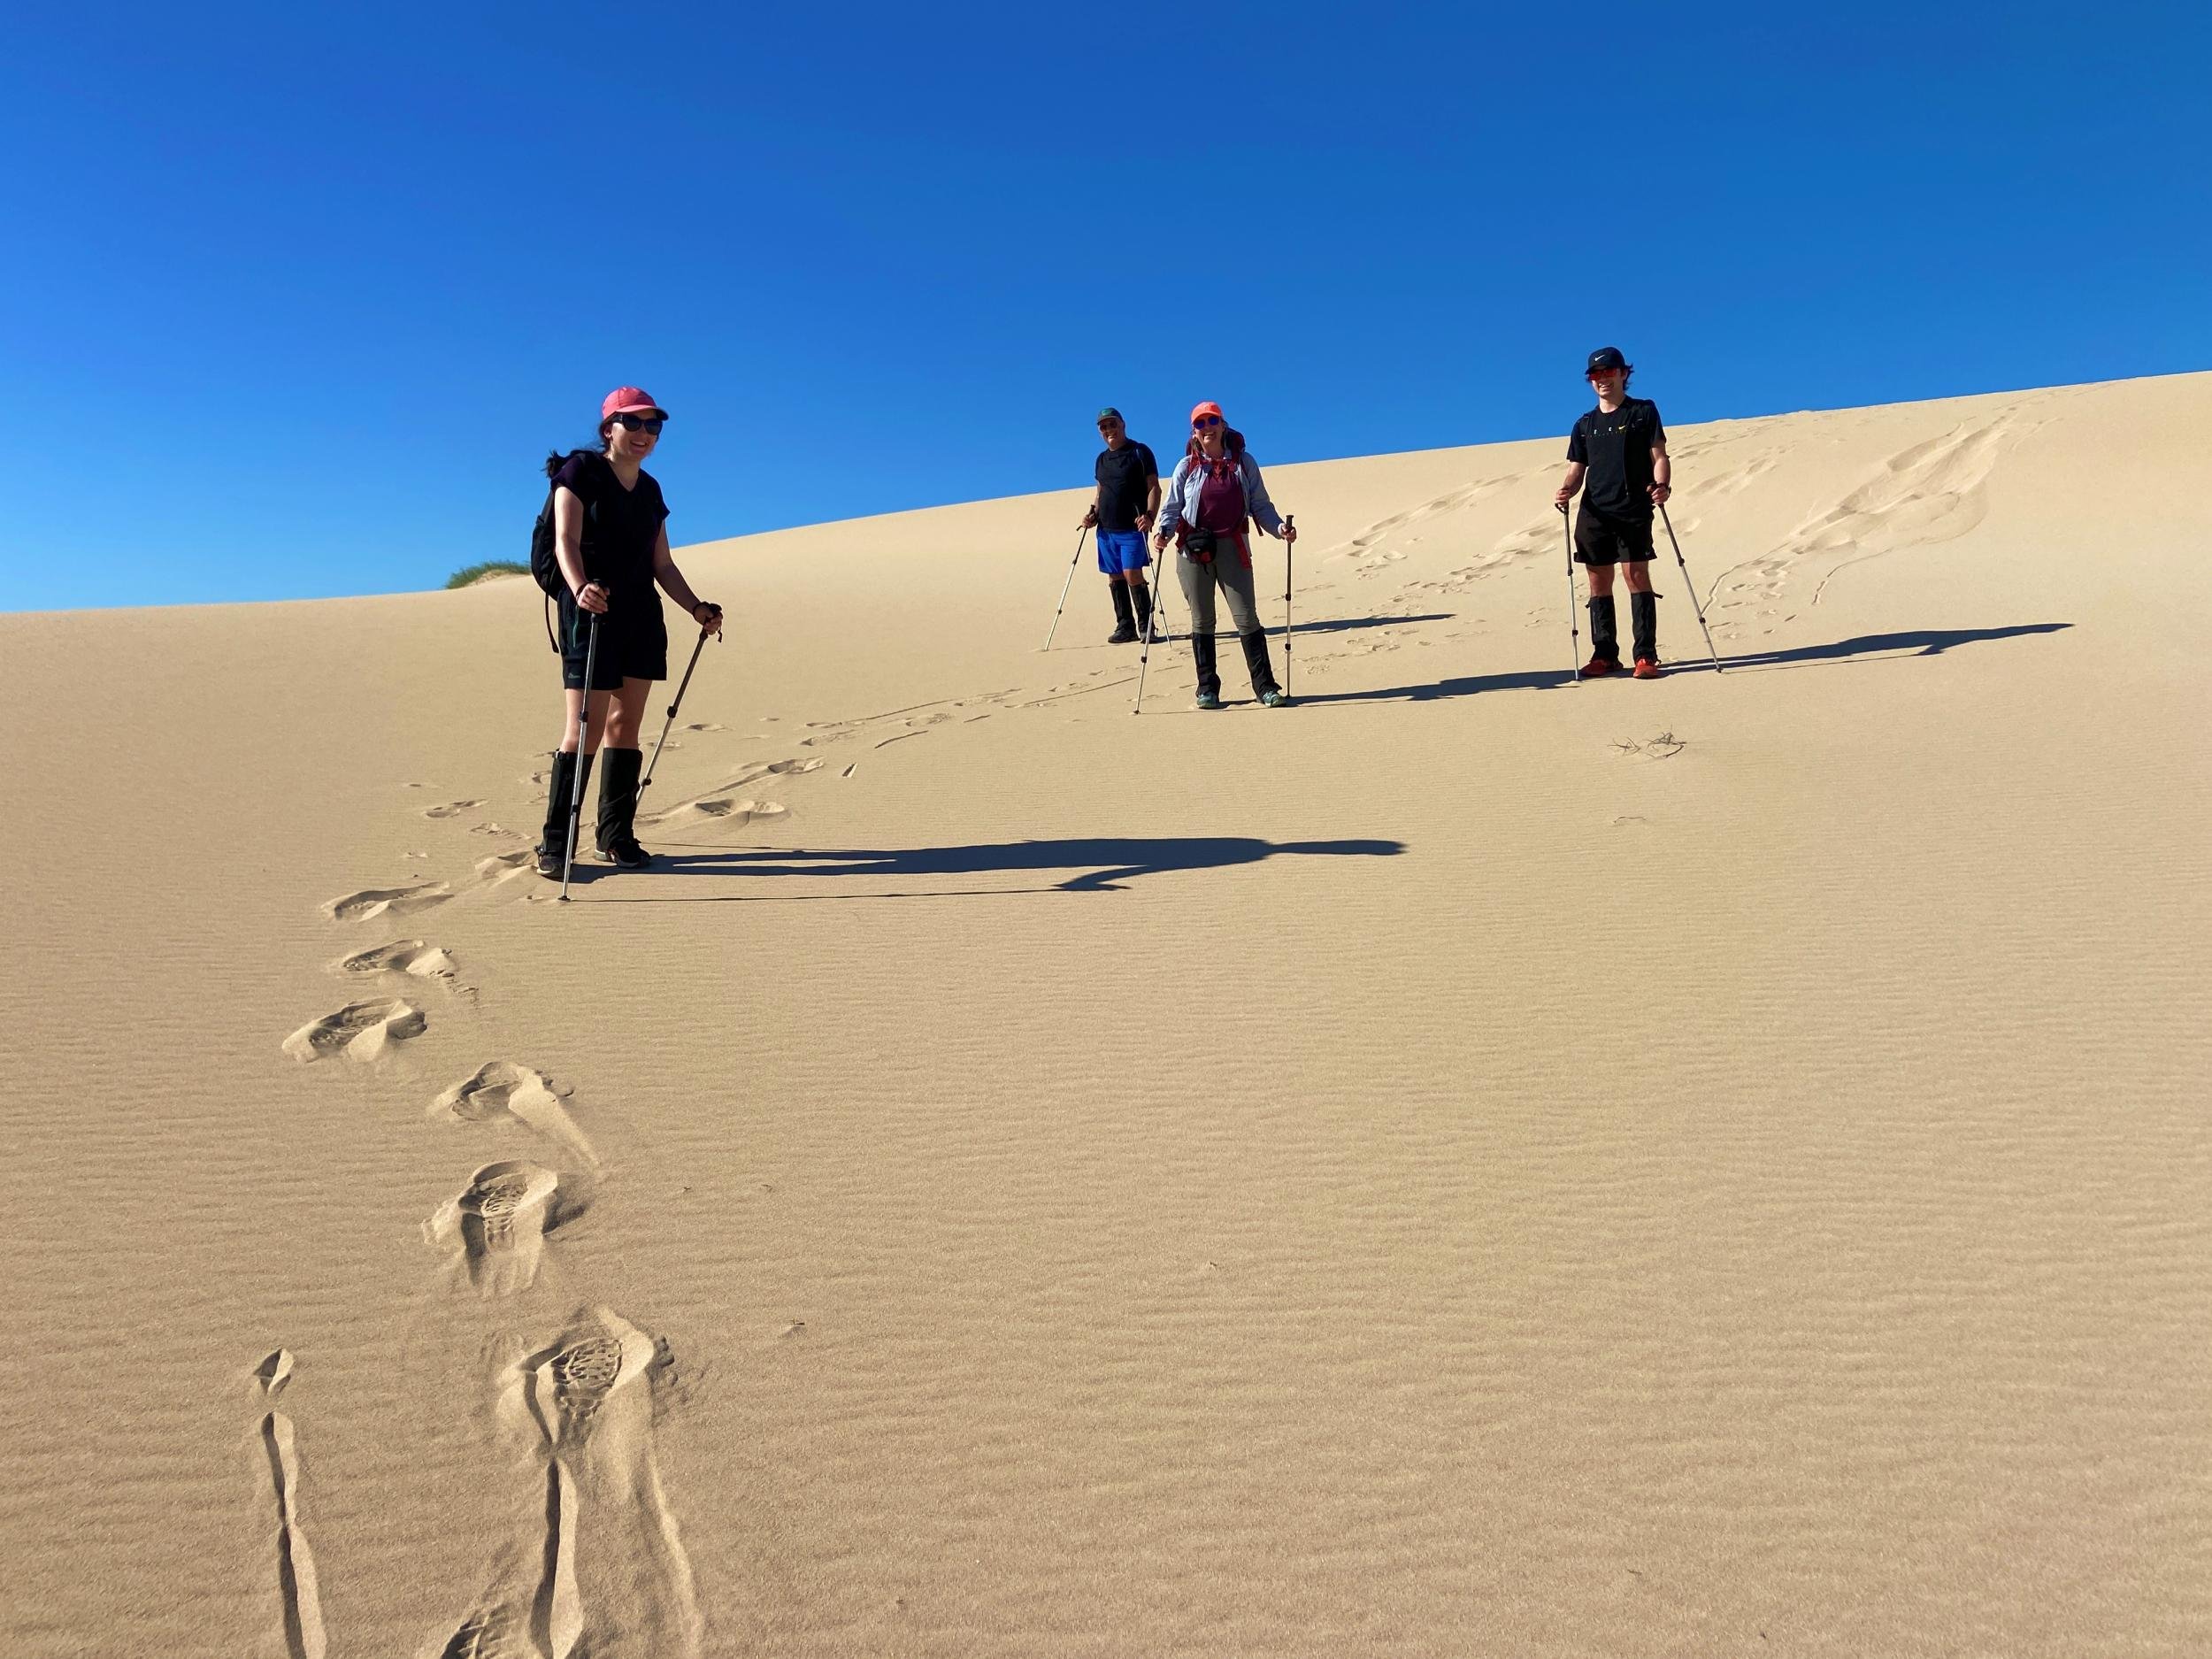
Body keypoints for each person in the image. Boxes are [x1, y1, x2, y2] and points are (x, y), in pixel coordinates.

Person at [535, 388, 724, 877]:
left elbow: (661, 562)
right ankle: (556, 842)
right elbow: (565, 541)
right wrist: (579, 589)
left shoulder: (651, 490)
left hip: (641, 614)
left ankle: (615, 835)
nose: (644, 434)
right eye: (633, 423)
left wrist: (696, 608)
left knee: (626, 726)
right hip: (592, 613)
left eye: (653, 426)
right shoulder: (578, 473)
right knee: (585, 726)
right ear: (609, 428)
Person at [1150, 402, 1298, 709]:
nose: (1207, 428)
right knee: (1202, 620)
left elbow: (1260, 504)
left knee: (1247, 618)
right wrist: (1163, 531)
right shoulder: (1186, 466)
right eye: (1200, 423)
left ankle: (1265, 687)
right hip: (1193, 549)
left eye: (1212, 421)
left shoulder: (1244, 463)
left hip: (1233, 546)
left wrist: (1279, 528)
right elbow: (1172, 506)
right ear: (1194, 431)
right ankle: (1207, 689)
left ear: (1223, 425)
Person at [1555, 346, 1671, 678]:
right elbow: (1577, 468)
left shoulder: (1643, 412)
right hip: (1594, 513)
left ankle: (1646, 656)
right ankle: (1605, 654)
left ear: (1623, 374)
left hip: (1633, 507)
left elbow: (1659, 455)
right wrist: (1567, 490)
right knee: (1597, 581)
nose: (1602, 379)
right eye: (1595, 374)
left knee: (1635, 576)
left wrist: (1662, 486)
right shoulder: (1584, 424)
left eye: (1609, 372)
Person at [1078, 408, 1161, 643]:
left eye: (1112, 424)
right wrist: (1092, 514)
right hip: (1106, 529)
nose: (1108, 430)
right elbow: (1100, 491)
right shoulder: (1101, 460)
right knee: (1114, 576)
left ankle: (1147, 626)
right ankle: (1125, 626)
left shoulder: (1139, 451)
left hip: (1133, 527)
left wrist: (1150, 515)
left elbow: (1153, 486)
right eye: (1103, 427)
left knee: (1132, 573)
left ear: (1122, 424)